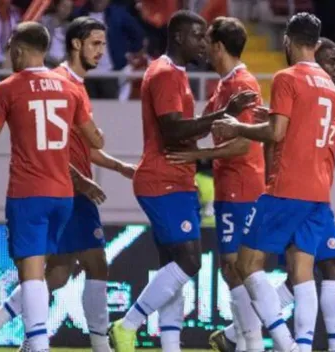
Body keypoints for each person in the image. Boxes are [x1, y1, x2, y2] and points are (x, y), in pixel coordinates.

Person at [0, 17, 135, 352]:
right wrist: (80, 179)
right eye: (96, 44)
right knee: (94, 263)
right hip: (64, 190)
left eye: (103, 44)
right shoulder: (58, 82)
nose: (102, 52)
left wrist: (116, 166)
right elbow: (47, 150)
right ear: (76, 44)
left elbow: (82, 146)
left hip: (64, 189)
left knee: (56, 274)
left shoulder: (73, 86)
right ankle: (101, 346)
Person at [108, 10, 256, 352]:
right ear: (178, 37)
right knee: (190, 261)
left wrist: (212, 125)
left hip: (176, 178)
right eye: (198, 36)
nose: (204, 42)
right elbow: (173, 129)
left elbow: (183, 130)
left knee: (172, 268)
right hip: (164, 179)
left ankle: (169, 346)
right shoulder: (164, 74)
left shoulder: (175, 75)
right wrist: (223, 114)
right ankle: (126, 325)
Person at [211, 12, 335, 352]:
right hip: (319, 193)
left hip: (287, 188)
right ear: (316, 42)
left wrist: (237, 127)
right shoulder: (331, 87)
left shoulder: (287, 77)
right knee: (303, 271)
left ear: (287, 41)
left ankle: (285, 344)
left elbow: (275, 133)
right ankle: (304, 345)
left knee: (246, 264)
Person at [166, 16, 265, 352]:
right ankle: (243, 339)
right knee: (232, 268)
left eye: (207, 39)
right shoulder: (224, 85)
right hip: (229, 186)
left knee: (237, 267)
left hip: (242, 185)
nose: (203, 46)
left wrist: (197, 155)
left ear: (219, 46)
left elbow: (244, 144)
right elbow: (204, 126)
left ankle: (250, 341)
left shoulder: (242, 84)